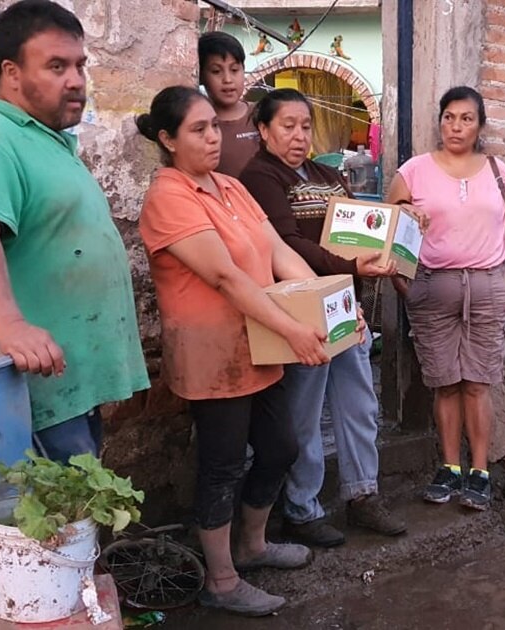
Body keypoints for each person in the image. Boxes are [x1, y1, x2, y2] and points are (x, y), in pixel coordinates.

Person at [136, 86, 331, 616]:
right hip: (212, 355)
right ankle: (221, 580)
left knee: (279, 447)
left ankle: (253, 544)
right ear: (167, 139)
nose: (212, 137)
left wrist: (328, 307)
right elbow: (224, 275)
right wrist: (294, 330)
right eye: (198, 129)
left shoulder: (229, 187)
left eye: (215, 127)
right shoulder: (170, 196)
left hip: (259, 345)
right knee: (222, 465)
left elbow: (277, 251)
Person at [0, 0, 148, 463]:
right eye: (56, 66)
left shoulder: (44, 139)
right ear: (11, 72)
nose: (75, 80)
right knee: (51, 525)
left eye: (79, 66)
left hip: (63, 383)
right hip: (25, 386)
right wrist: (11, 327)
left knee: (73, 517)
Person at [238, 88, 406, 548]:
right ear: (264, 129)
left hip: (344, 309)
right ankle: (301, 508)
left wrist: (396, 235)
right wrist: (353, 266)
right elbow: (288, 244)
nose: (298, 135)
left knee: (359, 404)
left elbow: (354, 231)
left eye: (305, 126)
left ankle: (362, 494)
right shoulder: (259, 177)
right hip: (301, 312)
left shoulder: (325, 173)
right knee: (305, 413)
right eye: (287, 126)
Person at [386, 86, 505, 510]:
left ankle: (480, 471)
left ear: (480, 126)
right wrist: (402, 282)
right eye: (449, 117)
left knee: (477, 384)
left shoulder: (499, 172)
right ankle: (449, 467)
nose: (456, 126)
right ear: (440, 121)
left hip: (487, 286)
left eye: (466, 118)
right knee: (445, 384)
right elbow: (388, 229)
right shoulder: (413, 171)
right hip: (432, 286)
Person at [198, 31, 260, 178]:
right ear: (200, 75)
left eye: (234, 70)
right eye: (216, 71)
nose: (227, 79)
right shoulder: (198, 123)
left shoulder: (262, 114)